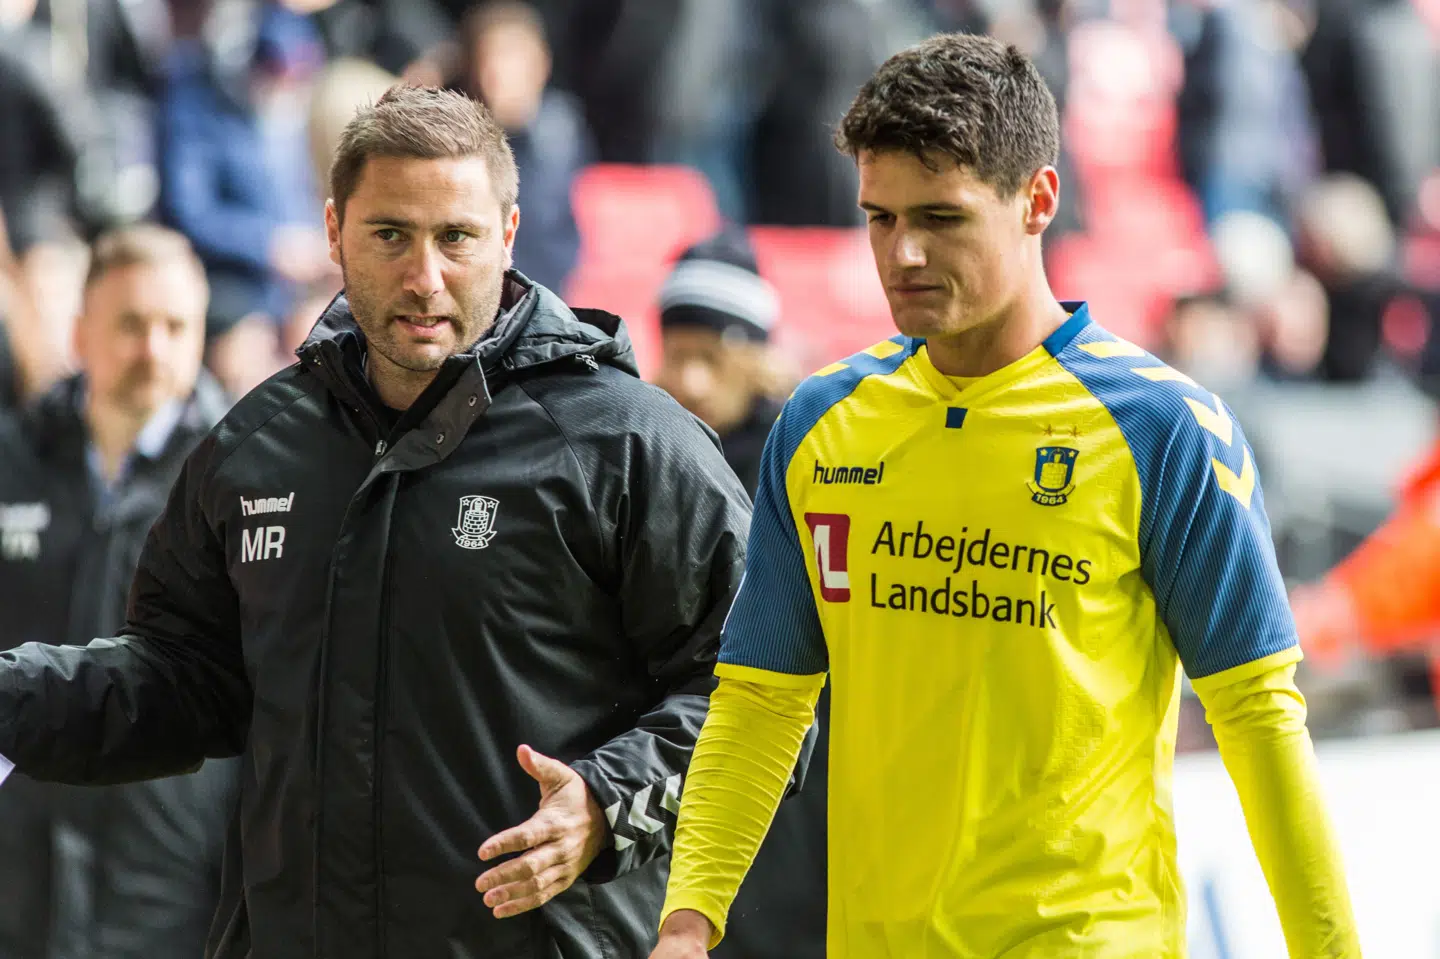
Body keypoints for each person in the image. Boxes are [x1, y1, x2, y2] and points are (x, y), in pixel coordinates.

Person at [651, 33, 1360, 959]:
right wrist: (688, 919)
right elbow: (759, 701)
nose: (902, 253)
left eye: (941, 217)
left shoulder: (1163, 429)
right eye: (879, 217)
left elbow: (1259, 716)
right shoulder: (823, 422)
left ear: (1038, 201)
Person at [0, 85, 750, 958]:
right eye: (389, 234)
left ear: (507, 236)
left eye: (455, 238)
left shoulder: (625, 440)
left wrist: (608, 802)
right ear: (332, 233)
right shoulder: (256, 444)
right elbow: (182, 679)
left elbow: (759, 690)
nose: (423, 276)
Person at [0, 224, 235, 959]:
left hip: (169, 870)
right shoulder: (13, 458)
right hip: (19, 868)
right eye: (131, 324)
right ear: (80, 331)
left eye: (175, 326)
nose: (154, 349)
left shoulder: (244, 478)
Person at [655, 228, 786, 496]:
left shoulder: (798, 455)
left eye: (713, 359)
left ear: (759, 362)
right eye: (676, 356)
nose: (691, 385)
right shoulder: (641, 445)